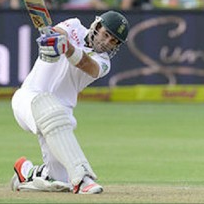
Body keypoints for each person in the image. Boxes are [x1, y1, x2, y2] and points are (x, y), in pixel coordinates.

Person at [10, 10, 129, 194]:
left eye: (113, 41)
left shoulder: (103, 62)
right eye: (106, 35)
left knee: (59, 181)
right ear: (96, 26)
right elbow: (57, 33)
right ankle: (82, 178)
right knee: (49, 110)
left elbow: (87, 65)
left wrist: (67, 48)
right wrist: (54, 38)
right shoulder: (74, 25)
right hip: (28, 98)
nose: (106, 42)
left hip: (61, 116)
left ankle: (26, 172)